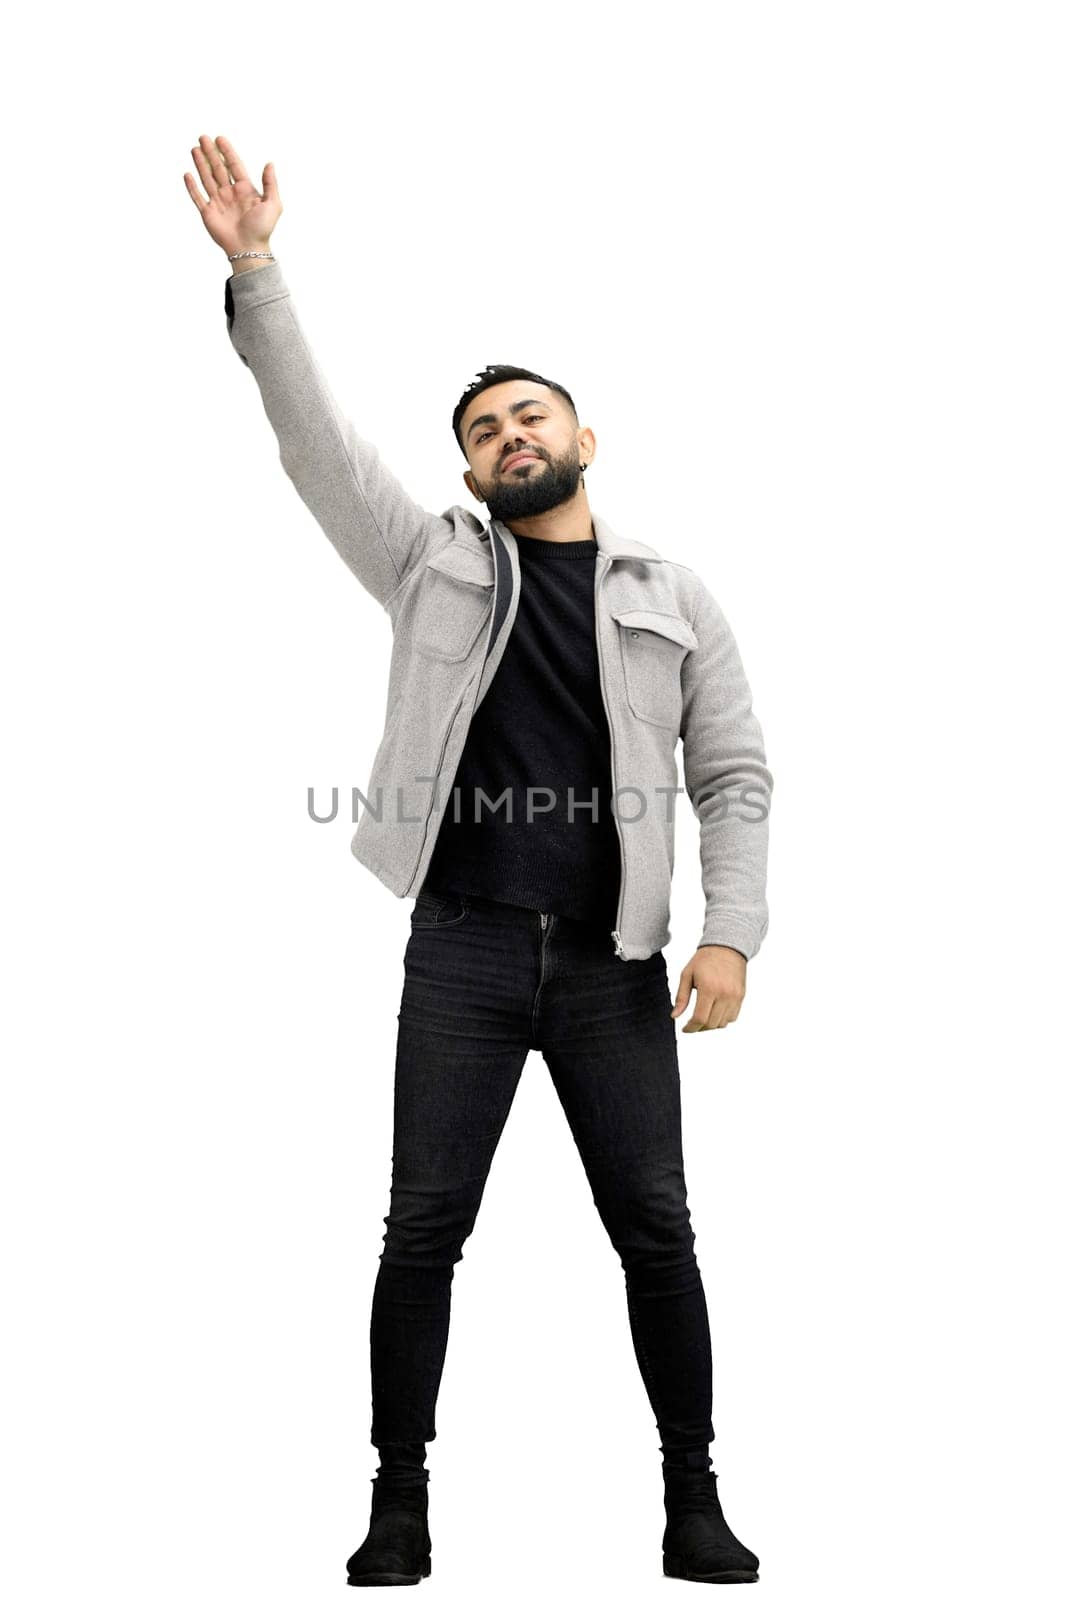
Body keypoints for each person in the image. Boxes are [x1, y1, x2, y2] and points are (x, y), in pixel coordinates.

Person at [184, 133, 772, 1586]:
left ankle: (692, 1500)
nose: (510, 440)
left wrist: (731, 931)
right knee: (424, 1227)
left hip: (617, 962)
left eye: (532, 419)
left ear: (585, 436)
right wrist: (257, 271)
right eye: (485, 433)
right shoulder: (429, 560)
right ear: (466, 469)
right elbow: (313, 438)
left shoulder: (671, 591)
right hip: (458, 945)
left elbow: (736, 771)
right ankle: (399, 1504)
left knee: (656, 1229)